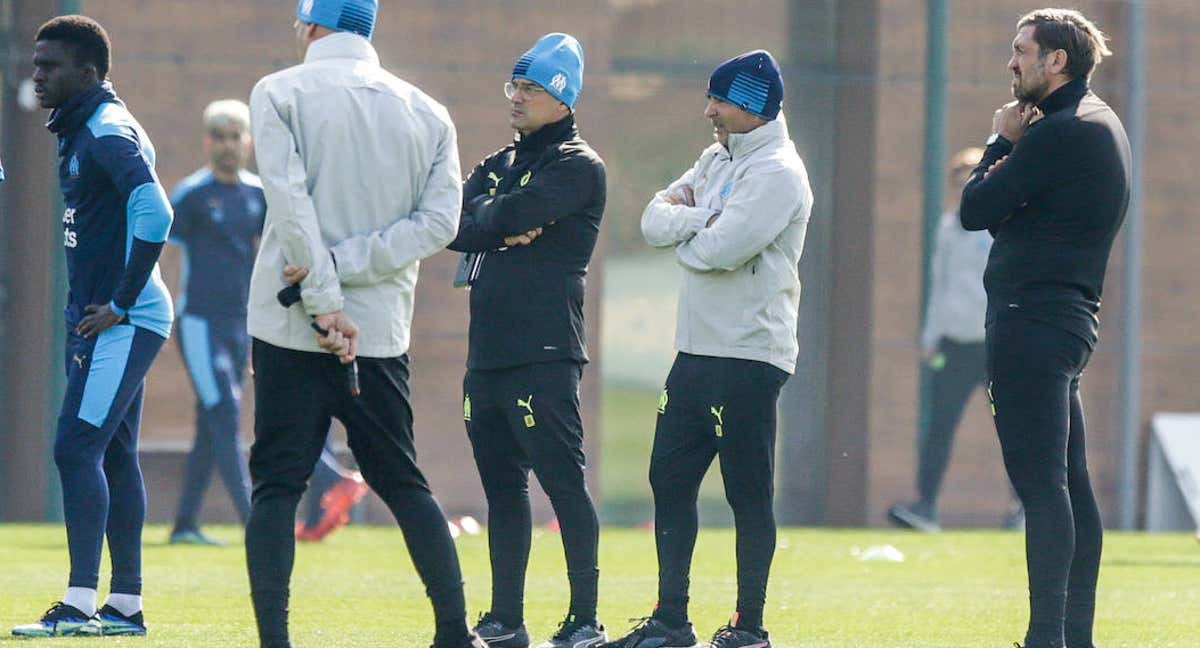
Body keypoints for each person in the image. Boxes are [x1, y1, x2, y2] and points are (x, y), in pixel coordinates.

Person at [243, 1, 481, 646]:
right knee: (403, 481)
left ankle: (275, 640)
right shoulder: (427, 112)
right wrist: (347, 272)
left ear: (311, 26)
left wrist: (322, 291)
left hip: (291, 324)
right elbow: (441, 224)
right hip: (376, 331)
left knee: (277, 485)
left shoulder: (278, 92)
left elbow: (289, 207)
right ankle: (455, 631)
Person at [606, 50, 812, 648]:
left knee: (747, 491)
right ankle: (672, 621)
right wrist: (703, 222)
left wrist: (694, 227)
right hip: (695, 349)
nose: (708, 112)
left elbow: (720, 252)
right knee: (667, 478)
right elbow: (651, 221)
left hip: (749, 354)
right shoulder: (718, 156)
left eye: (718, 101)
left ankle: (750, 627)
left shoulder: (777, 171)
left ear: (748, 104)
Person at [959, 9, 1128, 648]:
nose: (1012, 63)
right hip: (1065, 321)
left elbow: (976, 209)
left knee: (1041, 485)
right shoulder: (1098, 122)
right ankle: (1071, 635)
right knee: (1070, 486)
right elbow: (1016, 219)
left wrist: (1002, 142)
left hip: (1031, 322)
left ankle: (1048, 636)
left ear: (1057, 60)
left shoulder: (1057, 132)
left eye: (1021, 50)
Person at [13, 15, 174, 638]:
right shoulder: (86, 126)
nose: (37, 74)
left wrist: (122, 302)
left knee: (75, 448)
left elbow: (156, 211)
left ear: (87, 71)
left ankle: (80, 604)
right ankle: (125, 606)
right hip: (106, 315)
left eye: (49, 64)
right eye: (36, 62)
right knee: (112, 453)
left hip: (123, 318)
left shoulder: (106, 132)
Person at [447, 33, 607, 648]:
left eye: (531, 88)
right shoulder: (497, 163)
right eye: (514, 85)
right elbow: (451, 223)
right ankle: (505, 619)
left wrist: (494, 217)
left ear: (562, 98)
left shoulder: (577, 164)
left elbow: (501, 217)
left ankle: (584, 619)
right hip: (486, 351)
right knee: (502, 488)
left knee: (563, 484)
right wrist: (496, 218)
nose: (516, 97)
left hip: (543, 350)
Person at [888, 147, 1023, 533]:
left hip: (994, 342)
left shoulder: (1002, 223)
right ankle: (925, 506)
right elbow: (939, 284)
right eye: (958, 175)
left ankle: (1021, 508)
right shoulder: (949, 227)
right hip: (954, 344)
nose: (965, 181)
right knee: (939, 427)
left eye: (971, 173)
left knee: (1013, 428)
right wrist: (931, 336)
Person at [165, 99, 263, 546]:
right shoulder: (190, 196)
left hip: (239, 325)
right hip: (199, 324)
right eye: (219, 136)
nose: (228, 145)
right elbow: (155, 244)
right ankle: (253, 521)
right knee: (224, 410)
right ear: (207, 141)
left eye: (236, 135)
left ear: (249, 142)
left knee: (211, 423)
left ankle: (185, 524)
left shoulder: (259, 195)